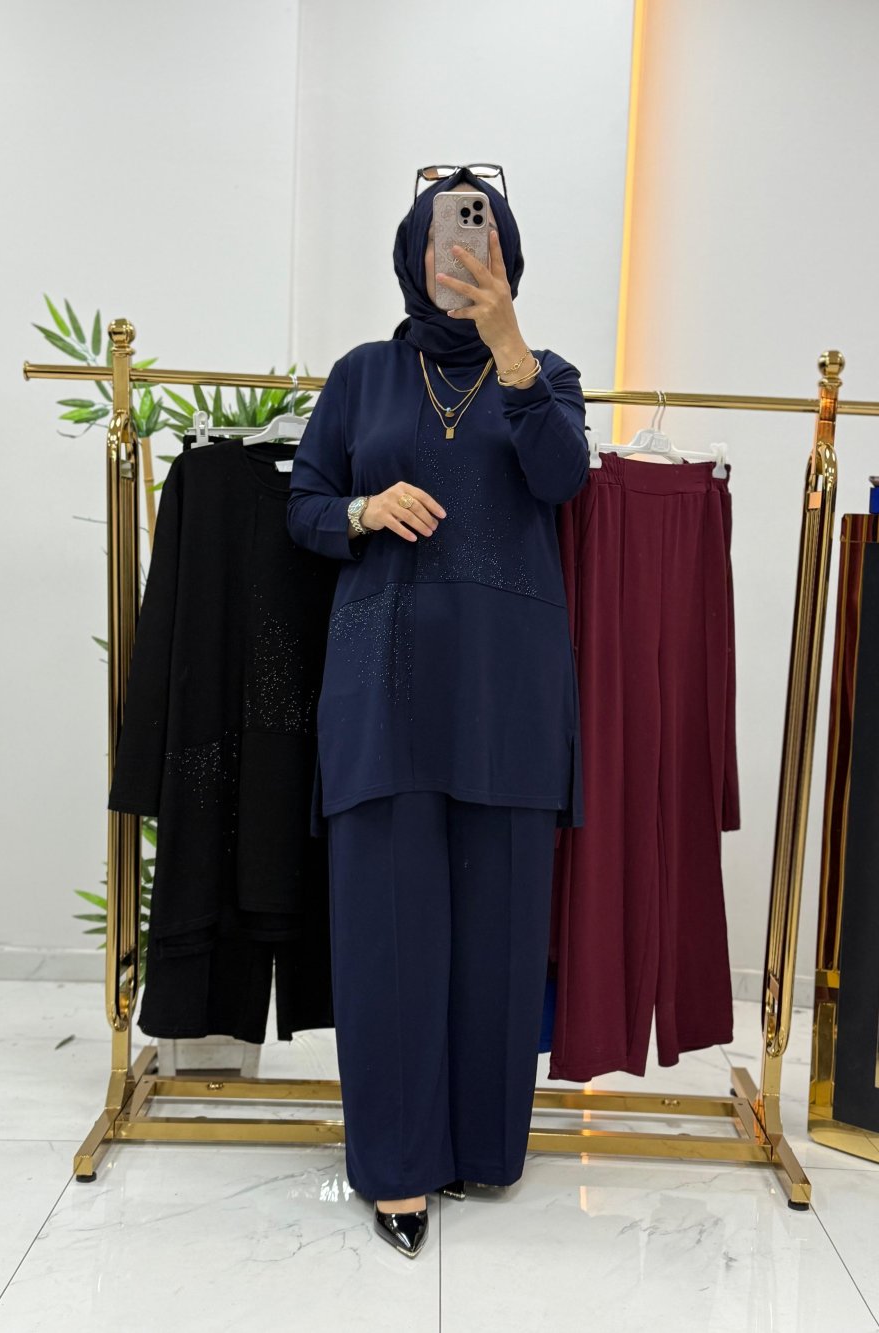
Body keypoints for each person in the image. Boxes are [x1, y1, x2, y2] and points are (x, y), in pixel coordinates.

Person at [286, 164, 588, 1259]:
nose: (461, 255)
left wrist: (510, 345)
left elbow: (562, 480)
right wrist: (364, 508)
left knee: (500, 935)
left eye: (482, 238)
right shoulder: (361, 375)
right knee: (388, 933)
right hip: (384, 684)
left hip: (509, 692)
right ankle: (398, 1166)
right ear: (413, 255)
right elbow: (304, 503)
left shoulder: (546, 375)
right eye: (445, 239)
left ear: (507, 255)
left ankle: (483, 1148)